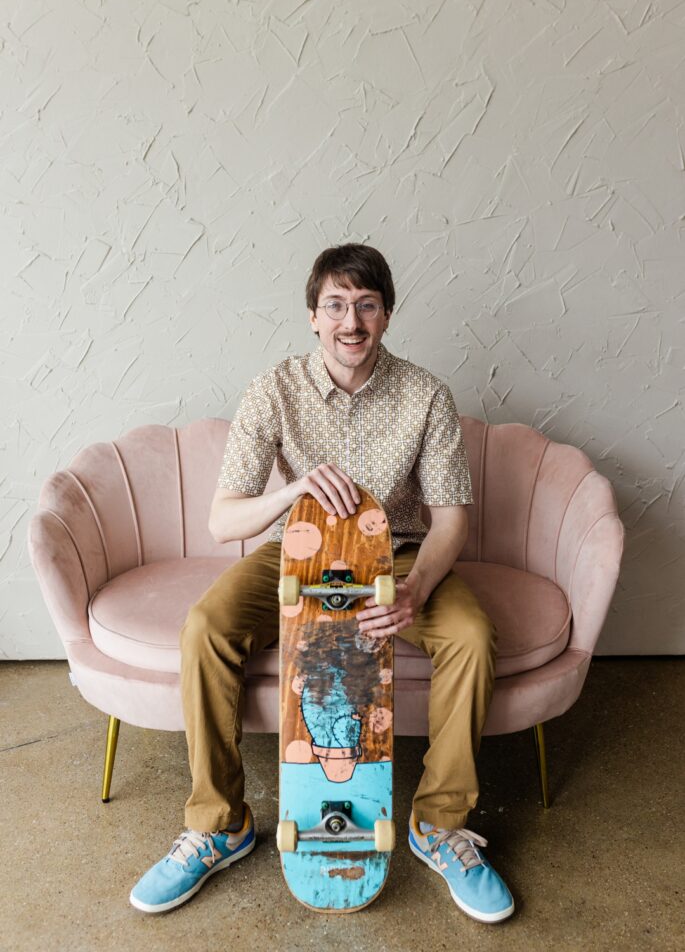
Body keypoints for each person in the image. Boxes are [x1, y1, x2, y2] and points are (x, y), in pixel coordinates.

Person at [130, 243, 514, 923]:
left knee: (472, 636)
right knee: (206, 628)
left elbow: (452, 518)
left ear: (386, 315)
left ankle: (437, 826)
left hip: (396, 558)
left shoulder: (425, 393)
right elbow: (224, 520)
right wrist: (295, 493)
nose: (351, 321)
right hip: (296, 552)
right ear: (313, 315)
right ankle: (219, 824)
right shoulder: (272, 388)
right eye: (335, 305)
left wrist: (416, 587)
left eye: (366, 305)